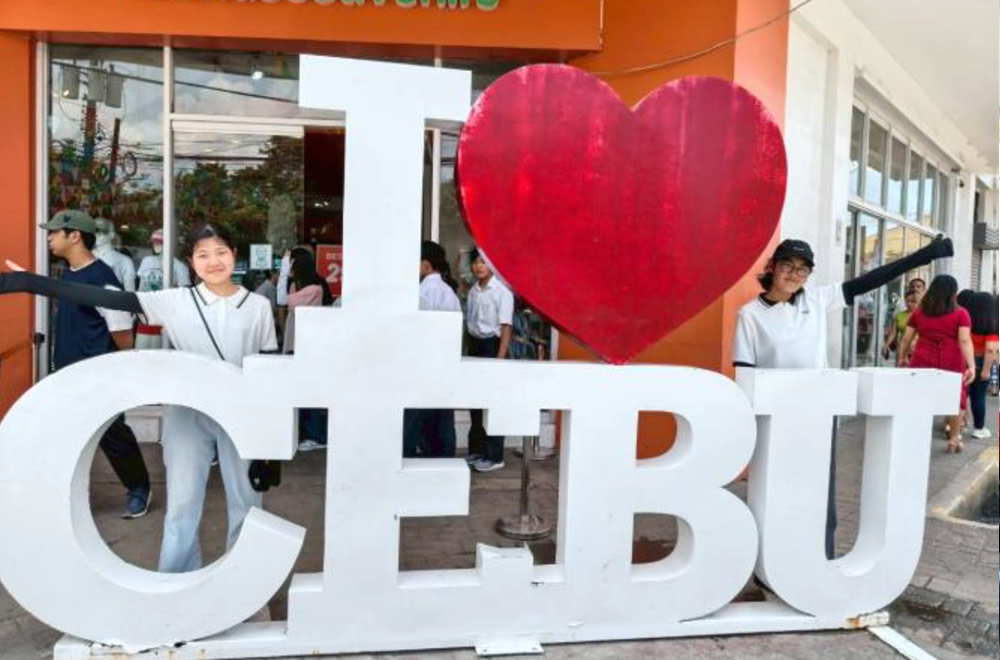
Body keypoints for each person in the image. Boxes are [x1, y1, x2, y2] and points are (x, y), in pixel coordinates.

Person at [2, 222, 277, 574]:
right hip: (186, 415)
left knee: (248, 503)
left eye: (221, 252)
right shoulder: (175, 301)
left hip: (242, 414)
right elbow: (104, 299)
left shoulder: (258, 306)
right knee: (182, 503)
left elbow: (270, 371)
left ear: (234, 255)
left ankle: (245, 580)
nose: (213, 262)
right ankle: (174, 580)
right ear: (191, 261)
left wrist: (270, 442)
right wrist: (30, 282)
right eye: (203, 255)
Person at [732, 235, 953, 560]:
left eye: (802, 269)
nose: (794, 274)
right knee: (777, 493)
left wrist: (923, 255)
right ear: (773, 267)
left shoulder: (817, 300)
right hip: (776, 421)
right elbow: (745, 376)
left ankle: (822, 560)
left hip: (819, 416)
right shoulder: (750, 315)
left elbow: (870, 280)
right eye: (787, 266)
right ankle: (772, 564)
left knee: (821, 494)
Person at [35, 210, 152, 519]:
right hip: (68, 372)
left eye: (54, 232)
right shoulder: (69, 273)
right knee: (68, 435)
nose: (49, 237)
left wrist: (116, 369)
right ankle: (68, 496)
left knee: (113, 434)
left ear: (75, 236)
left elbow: (122, 333)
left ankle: (139, 487)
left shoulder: (103, 280)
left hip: (99, 374)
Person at [898, 276, 976, 453]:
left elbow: (907, 338)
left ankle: (915, 436)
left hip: (922, 358)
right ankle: (954, 439)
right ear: (953, 293)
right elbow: (964, 341)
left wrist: (902, 357)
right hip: (951, 360)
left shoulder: (919, 312)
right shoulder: (961, 313)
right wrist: (971, 366)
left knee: (919, 397)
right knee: (956, 399)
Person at [403, 241, 462, 458]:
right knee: (442, 412)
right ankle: (443, 456)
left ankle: (408, 453)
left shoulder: (424, 292)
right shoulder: (448, 292)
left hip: (424, 361)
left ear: (426, 265)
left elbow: (417, 330)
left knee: (415, 412)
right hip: (445, 359)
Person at [464, 248, 514, 473]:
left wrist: (499, 360)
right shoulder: (473, 291)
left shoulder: (502, 292)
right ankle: (477, 450)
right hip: (475, 346)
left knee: (492, 403)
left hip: (492, 347)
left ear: (492, 265)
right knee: (475, 402)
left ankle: (494, 456)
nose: (478, 266)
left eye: (483, 262)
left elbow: (506, 328)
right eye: (475, 262)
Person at [282, 248, 332, 452]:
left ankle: (316, 434)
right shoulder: (298, 285)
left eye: (291, 263)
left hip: (308, 347)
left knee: (309, 392)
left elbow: (286, 301)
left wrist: (284, 274)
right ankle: (305, 432)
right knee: (298, 392)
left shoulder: (315, 289)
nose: (289, 268)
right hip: (295, 344)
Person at [960, 291, 998, 441]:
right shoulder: (991, 327)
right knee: (979, 396)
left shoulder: (965, 324)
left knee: (961, 394)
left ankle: (956, 428)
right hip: (980, 362)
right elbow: (991, 350)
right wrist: (986, 371)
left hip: (963, 360)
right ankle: (979, 428)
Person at [882, 288, 920, 365]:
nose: (909, 304)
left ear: (919, 302)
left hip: (917, 350)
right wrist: (886, 345)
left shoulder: (923, 316)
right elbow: (893, 333)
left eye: (913, 301)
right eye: (907, 301)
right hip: (902, 350)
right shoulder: (899, 316)